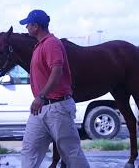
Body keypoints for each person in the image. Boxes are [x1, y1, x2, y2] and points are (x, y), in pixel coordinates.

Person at [19, 9, 90, 168]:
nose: (26, 28)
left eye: (28, 25)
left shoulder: (51, 43)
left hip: (57, 107)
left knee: (71, 153)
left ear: (36, 26)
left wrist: (41, 96)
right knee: (29, 150)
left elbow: (56, 72)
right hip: (41, 109)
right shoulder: (40, 45)